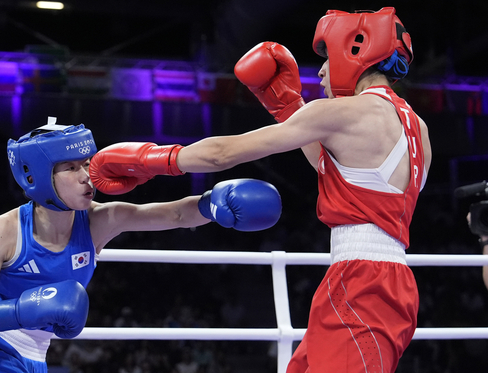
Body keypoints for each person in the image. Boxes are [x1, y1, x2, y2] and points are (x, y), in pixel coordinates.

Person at [88, 7, 432, 373]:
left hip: (361, 283)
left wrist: (150, 159)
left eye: (326, 60)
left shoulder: (346, 112)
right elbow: (342, 174)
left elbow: (222, 154)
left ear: (354, 51)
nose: (320, 72)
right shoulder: (418, 130)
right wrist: (287, 106)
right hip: (386, 281)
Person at [0, 117, 282, 373]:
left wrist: (213, 204)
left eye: (86, 164)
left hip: (36, 356)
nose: (86, 176)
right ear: (36, 176)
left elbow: (176, 215)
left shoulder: (98, 221)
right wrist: (20, 311)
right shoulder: (5, 230)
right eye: (71, 168)